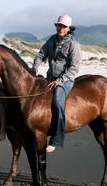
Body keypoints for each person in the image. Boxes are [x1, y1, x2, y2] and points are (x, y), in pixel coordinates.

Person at [32, 15, 81, 153]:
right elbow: (41, 54)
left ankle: (57, 139)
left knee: (58, 104)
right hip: (49, 78)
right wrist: (35, 68)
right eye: (58, 25)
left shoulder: (73, 45)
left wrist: (59, 80)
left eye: (63, 26)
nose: (60, 28)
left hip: (65, 80)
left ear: (68, 28)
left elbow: (74, 68)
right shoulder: (51, 40)